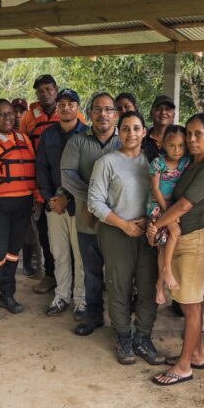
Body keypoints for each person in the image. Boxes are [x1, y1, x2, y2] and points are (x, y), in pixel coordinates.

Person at [149, 114, 204, 385]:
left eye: (198, 134)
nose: (191, 139)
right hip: (181, 237)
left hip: (193, 241)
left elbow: (183, 206)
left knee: (191, 308)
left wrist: (156, 225)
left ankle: (183, 367)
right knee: (192, 303)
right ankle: (196, 355)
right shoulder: (191, 163)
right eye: (189, 134)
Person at [88, 110, 163, 366]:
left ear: (144, 132)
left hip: (149, 231)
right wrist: (125, 225)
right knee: (119, 286)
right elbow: (94, 202)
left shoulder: (153, 162)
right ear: (118, 133)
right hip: (116, 231)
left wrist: (149, 222)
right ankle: (123, 337)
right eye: (126, 128)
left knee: (148, 286)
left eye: (136, 128)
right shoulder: (107, 162)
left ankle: (143, 337)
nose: (131, 133)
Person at [0, 99, 44, 321]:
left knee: (13, 252)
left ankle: (7, 294)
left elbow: (31, 170)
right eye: (1, 114)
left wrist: (37, 197)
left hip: (23, 204)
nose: (7, 118)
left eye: (10, 113)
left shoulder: (23, 138)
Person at [61, 92, 121, 336]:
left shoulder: (126, 140)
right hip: (87, 219)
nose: (103, 114)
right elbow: (68, 176)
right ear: (89, 114)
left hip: (119, 221)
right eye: (97, 109)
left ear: (116, 114)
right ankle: (93, 317)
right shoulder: (77, 142)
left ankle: (120, 322)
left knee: (118, 275)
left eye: (108, 109)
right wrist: (96, 199)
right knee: (92, 273)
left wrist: (111, 202)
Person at [35, 89, 88, 319]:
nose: (66, 108)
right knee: (59, 253)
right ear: (57, 108)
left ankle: (81, 300)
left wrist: (70, 198)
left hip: (81, 206)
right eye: (62, 104)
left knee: (81, 255)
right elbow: (41, 168)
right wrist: (50, 199)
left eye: (71, 104)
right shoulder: (48, 135)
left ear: (78, 108)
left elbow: (89, 173)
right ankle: (62, 296)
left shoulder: (87, 134)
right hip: (54, 205)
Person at [20, 75, 61, 293]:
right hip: (40, 183)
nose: (45, 94)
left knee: (70, 235)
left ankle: (71, 278)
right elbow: (23, 149)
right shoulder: (29, 116)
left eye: (48, 89)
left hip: (65, 182)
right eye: (40, 91)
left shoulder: (69, 110)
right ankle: (50, 274)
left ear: (56, 89)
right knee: (45, 233)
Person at [146, 125, 189, 296]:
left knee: (163, 246)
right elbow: (155, 189)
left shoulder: (186, 162)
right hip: (158, 205)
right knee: (175, 231)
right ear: (163, 144)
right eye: (172, 145)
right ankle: (166, 270)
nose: (176, 150)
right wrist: (168, 211)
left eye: (181, 145)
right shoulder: (158, 163)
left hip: (173, 206)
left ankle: (159, 285)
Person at [12, 97, 40, 276]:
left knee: (30, 227)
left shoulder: (29, 136)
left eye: (21, 111)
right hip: (9, 188)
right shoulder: (1, 134)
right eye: (14, 111)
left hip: (29, 186)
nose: (17, 115)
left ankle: (30, 261)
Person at [143, 95, 176, 162]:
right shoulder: (142, 140)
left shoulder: (182, 138)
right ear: (151, 114)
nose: (163, 112)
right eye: (158, 109)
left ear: (173, 115)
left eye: (167, 109)